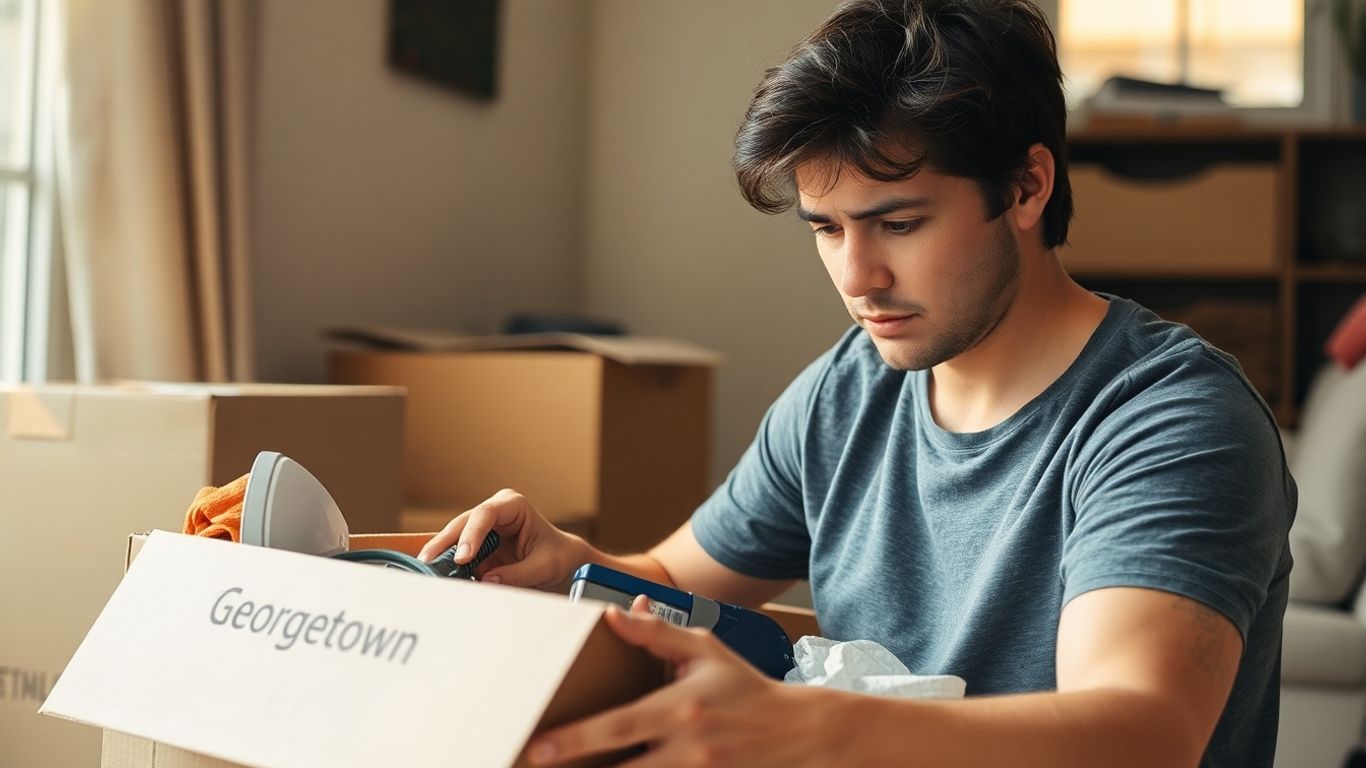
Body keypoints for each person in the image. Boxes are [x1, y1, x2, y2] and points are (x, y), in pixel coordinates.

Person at [418, 0, 1296, 764]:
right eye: (827, 230)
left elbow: (1140, 738)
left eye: (898, 223)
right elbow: (673, 575)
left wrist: (812, 731)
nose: (857, 277)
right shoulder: (849, 390)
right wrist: (578, 564)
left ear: (1026, 187)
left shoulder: (1171, 419)